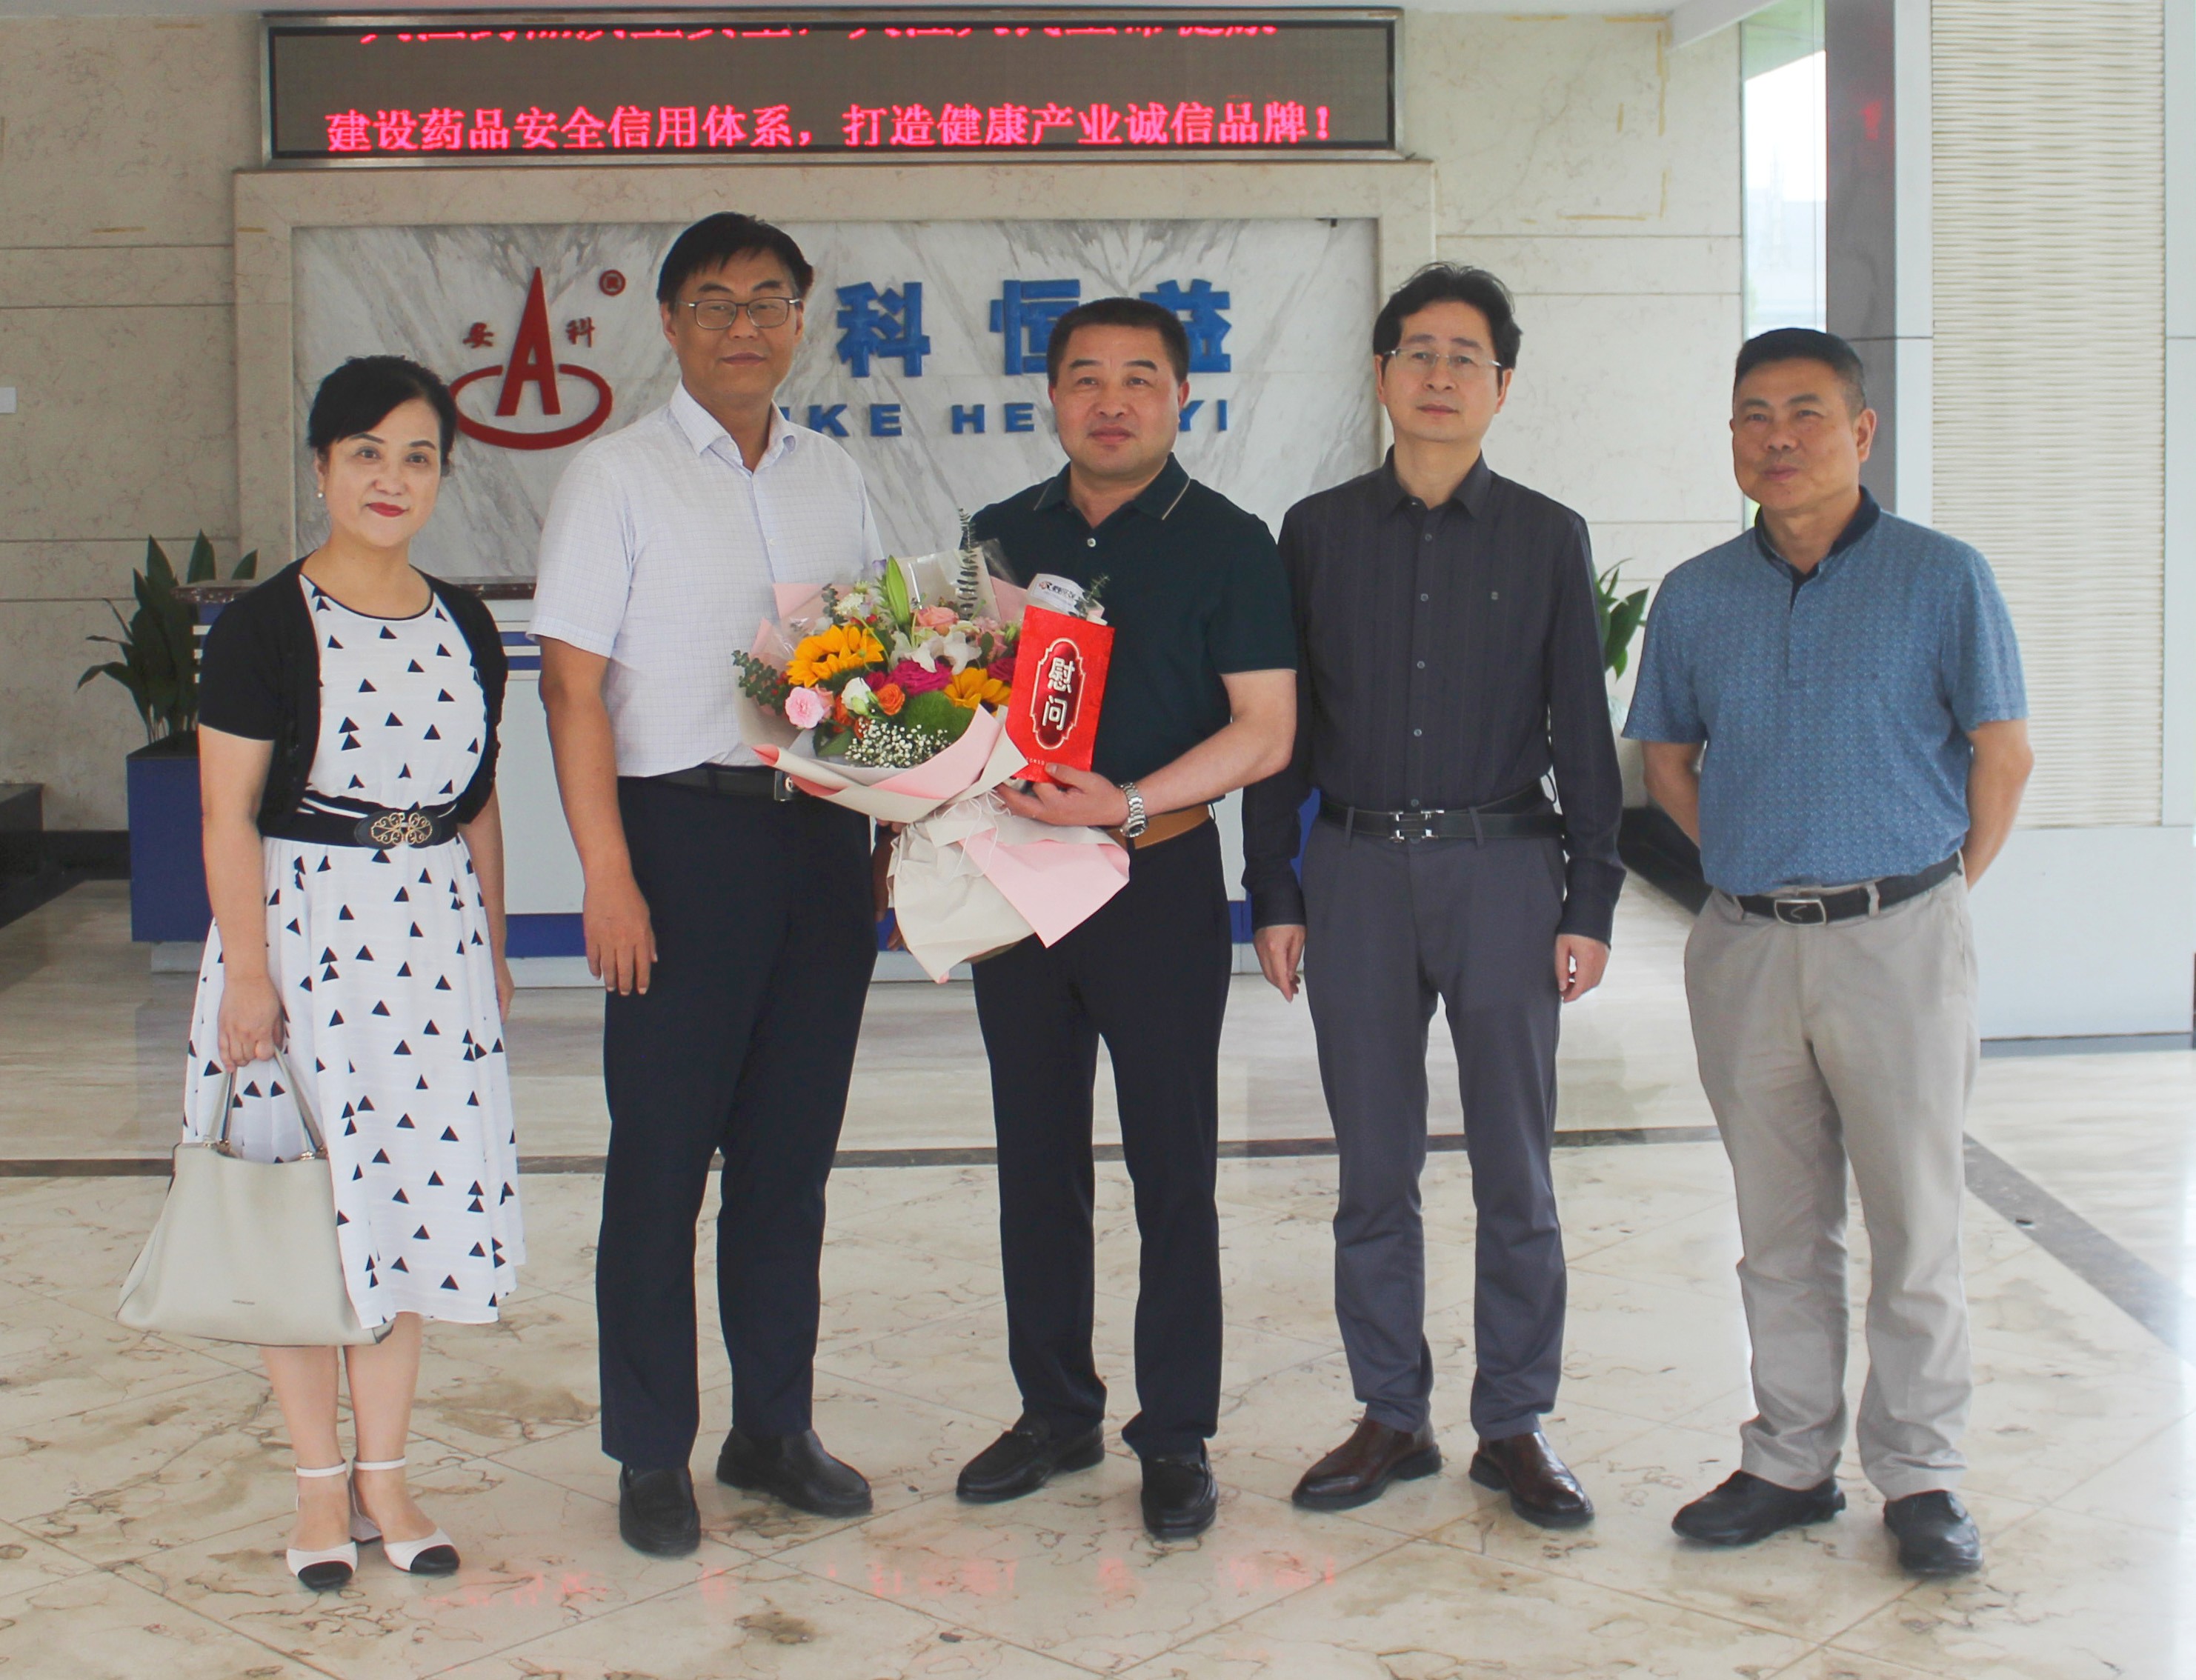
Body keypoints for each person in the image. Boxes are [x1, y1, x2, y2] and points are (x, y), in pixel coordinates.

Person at [1626, 327, 2031, 1577]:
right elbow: (1668, 762)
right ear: (1732, 438)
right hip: (1747, 945)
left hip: (1900, 939)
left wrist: (1929, 891)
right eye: (1754, 415)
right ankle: (1790, 1460)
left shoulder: (1942, 577)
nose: (1779, 438)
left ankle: (1922, 1475)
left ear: (1861, 432)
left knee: (1916, 1221)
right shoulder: (1698, 593)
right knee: (1778, 1223)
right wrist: (1757, 861)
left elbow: (2003, 755)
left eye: (1806, 412)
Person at [1241, 265, 1622, 1527]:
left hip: (1505, 867)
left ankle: (1514, 1423)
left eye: (1467, 356)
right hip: (1354, 871)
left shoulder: (1547, 535)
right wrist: (1275, 887)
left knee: (1517, 1165)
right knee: (1373, 1165)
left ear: (1503, 385)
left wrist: (1590, 900)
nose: (1441, 374)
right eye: (1419, 351)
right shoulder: (1316, 532)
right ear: (1382, 374)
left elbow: (1583, 728)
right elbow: (1282, 731)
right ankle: (1390, 1414)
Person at [533, 213, 884, 1557]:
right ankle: (649, 1450)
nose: (746, 325)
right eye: (718, 303)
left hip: (818, 841)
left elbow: (877, 671)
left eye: (771, 300)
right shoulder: (613, 478)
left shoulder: (834, 476)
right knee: (662, 1163)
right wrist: (607, 878)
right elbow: (571, 691)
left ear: (802, 317)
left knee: (790, 1164)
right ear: (672, 323)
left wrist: (888, 832)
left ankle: (772, 1430)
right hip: (676, 844)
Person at [951, 296, 1296, 1541]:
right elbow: (961, 699)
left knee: (1172, 1166)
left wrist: (1131, 801)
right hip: (1022, 881)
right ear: (1051, 396)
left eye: (1139, 378)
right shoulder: (999, 535)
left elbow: (1266, 730)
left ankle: (1176, 1433)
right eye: (1086, 378)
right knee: (1035, 1159)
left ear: (1181, 398)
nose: (1111, 402)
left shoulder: (1231, 543)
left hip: (1156, 878)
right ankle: (1055, 1411)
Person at [190, 354, 523, 1591]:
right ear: (323, 466)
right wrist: (248, 977)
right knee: (301, 1218)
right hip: (301, 941)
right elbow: (227, 814)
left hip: (432, 945)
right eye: (367, 454)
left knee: (408, 1209)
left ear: (443, 475)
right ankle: (317, 1486)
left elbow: (478, 801)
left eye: (418, 456)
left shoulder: (466, 622)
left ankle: (388, 1476)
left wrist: (491, 948)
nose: (393, 478)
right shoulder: (266, 626)